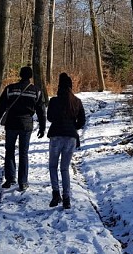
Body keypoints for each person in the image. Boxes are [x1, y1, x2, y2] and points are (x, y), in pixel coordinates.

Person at [0, 66, 45, 192]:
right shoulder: (36, 91)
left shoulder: (10, 89)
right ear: (31, 76)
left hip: (11, 124)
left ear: (20, 75)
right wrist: (42, 127)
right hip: (26, 125)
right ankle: (23, 182)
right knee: (23, 153)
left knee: (9, 151)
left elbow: (1, 106)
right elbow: (41, 110)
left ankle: (10, 179)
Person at [47, 72, 86, 209]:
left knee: (53, 166)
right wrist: (72, 127)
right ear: (71, 86)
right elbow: (82, 121)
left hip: (56, 135)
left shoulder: (54, 101)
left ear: (59, 86)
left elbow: (50, 118)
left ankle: (55, 193)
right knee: (65, 168)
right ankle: (67, 198)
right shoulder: (77, 101)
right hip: (71, 137)